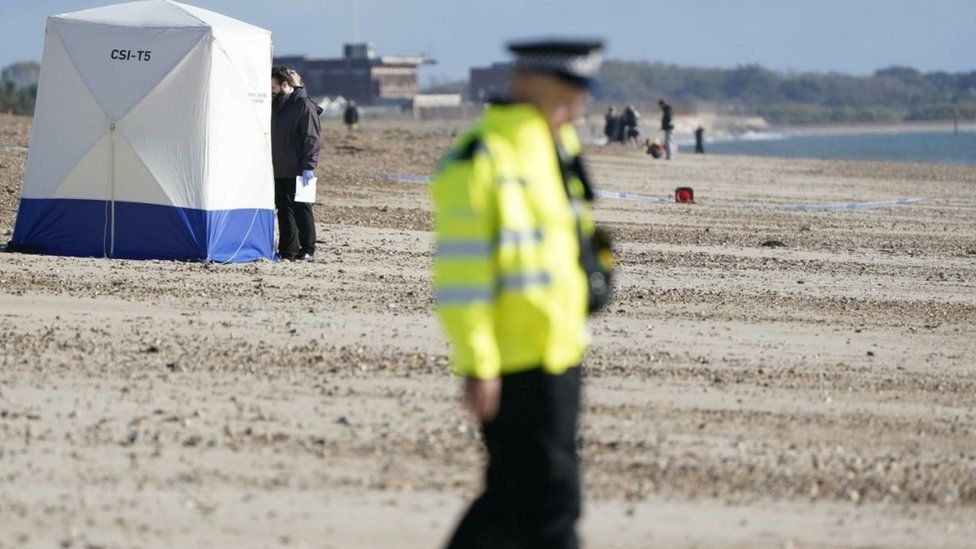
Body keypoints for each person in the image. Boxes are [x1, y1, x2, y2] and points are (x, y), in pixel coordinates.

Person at [432, 39, 609, 549]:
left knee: (520, 497)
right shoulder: (482, 156)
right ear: (526, 85)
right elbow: (462, 273)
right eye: (564, 96)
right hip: (511, 360)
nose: (575, 109)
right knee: (550, 499)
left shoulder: (558, 147)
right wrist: (478, 360)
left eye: (580, 96)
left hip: (560, 349)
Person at [271, 65, 321, 261]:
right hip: (279, 168)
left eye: (273, 87)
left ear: (284, 85)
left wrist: (309, 166)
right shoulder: (275, 105)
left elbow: (312, 138)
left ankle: (308, 249)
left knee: (302, 210)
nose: (270, 91)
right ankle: (288, 250)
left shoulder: (304, 105)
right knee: (283, 210)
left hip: (299, 169)